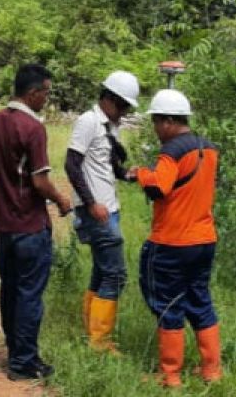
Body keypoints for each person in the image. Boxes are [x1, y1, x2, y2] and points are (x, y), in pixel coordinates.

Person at [0, 63, 72, 381]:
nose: (47, 98)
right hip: (30, 226)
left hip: (4, 225)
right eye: (46, 92)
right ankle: (24, 362)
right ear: (33, 93)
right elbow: (40, 183)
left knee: (10, 289)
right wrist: (61, 200)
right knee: (30, 293)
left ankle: (14, 350)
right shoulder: (32, 129)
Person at [136, 88, 222, 387]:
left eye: (156, 123)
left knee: (167, 303)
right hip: (204, 240)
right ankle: (211, 370)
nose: (156, 129)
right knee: (200, 300)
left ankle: (170, 375)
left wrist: (142, 173)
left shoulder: (171, 151)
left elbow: (158, 188)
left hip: (172, 242)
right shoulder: (208, 148)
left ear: (168, 121)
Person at [64, 70, 141, 353]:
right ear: (108, 98)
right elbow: (72, 164)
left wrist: (126, 174)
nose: (123, 112)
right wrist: (90, 201)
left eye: (126, 108)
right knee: (116, 274)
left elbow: (106, 165)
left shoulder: (110, 126)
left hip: (110, 207)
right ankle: (100, 342)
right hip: (97, 210)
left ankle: (92, 333)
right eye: (121, 106)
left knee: (102, 271)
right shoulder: (88, 121)